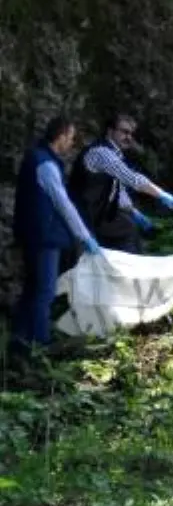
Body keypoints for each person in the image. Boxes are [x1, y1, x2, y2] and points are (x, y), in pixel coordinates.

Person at [10, 117, 100, 353]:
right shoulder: (46, 165)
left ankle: (19, 339)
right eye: (70, 138)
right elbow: (64, 205)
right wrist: (85, 237)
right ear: (60, 136)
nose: (71, 143)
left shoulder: (37, 158)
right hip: (44, 237)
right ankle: (41, 342)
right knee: (45, 290)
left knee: (32, 287)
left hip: (33, 234)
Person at [68, 114, 173, 252]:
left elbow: (118, 189)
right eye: (124, 132)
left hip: (96, 213)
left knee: (127, 228)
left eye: (131, 133)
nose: (128, 137)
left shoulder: (115, 154)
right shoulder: (102, 153)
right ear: (110, 132)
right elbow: (132, 178)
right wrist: (161, 194)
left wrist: (134, 212)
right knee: (126, 229)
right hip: (82, 214)